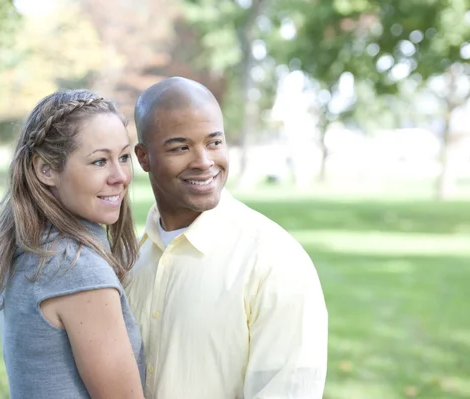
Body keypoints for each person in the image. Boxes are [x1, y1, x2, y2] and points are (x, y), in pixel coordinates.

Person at [126, 76, 328, 398]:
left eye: (214, 142)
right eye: (181, 147)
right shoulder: (130, 261)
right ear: (143, 157)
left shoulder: (274, 262)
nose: (204, 162)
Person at [0, 89, 146, 398]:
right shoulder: (75, 267)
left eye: (123, 157)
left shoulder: (33, 247)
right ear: (46, 169)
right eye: (99, 161)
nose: (120, 176)